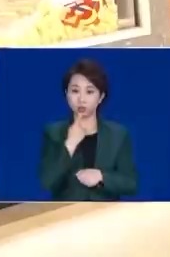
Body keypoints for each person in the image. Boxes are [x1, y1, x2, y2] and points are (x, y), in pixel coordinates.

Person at [38, 58, 138, 201]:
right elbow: (46, 182)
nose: (81, 99)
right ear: (66, 94)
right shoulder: (53, 132)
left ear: (101, 97)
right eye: (75, 91)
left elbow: (131, 183)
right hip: (67, 211)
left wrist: (101, 177)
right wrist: (70, 145)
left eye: (89, 92)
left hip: (106, 211)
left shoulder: (118, 134)